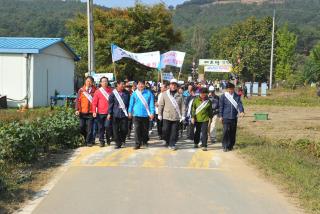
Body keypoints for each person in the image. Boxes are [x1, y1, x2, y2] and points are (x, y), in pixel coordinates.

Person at [158, 79, 185, 150]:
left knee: (174, 132)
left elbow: (183, 106)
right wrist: (159, 114)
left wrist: (183, 115)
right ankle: (166, 140)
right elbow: (161, 104)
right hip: (166, 116)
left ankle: (172, 144)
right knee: (165, 130)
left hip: (176, 116)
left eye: (175, 85)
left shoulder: (180, 95)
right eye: (172, 84)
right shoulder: (164, 94)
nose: (173, 86)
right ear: (169, 85)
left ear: (177, 86)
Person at [128, 80, 155, 150]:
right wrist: (129, 112)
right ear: (137, 85)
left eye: (142, 84)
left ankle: (145, 141)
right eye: (139, 84)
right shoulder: (134, 94)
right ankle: (137, 144)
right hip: (136, 114)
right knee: (137, 129)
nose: (141, 85)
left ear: (144, 85)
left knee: (145, 130)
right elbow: (131, 104)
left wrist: (152, 113)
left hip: (146, 115)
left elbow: (151, 104)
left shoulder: (149, 93)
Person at [219, 82, 245, 152]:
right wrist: (220, 116)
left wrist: (242, 111)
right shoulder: (223, 96)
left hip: (233, 117)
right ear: (227, 89)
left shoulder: (237, 96)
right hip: (225, 116)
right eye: (228, 89)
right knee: (225, 131)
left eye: (231, 89)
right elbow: (221, 107)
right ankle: (225, 145)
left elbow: (240, 104)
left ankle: (231, 145)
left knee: (232, 132)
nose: (230, 91)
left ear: (233, 89)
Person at [108, 80, 130, 149]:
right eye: (122, 84)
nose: (123, 86)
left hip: (124, 114)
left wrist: (130, 112)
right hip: (115, 114)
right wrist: (109, 113)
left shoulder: (127, 93)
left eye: (124, 84)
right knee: (115, 130)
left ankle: (122, 140)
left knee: (124, 129)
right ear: (117, 84)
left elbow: (129, 104)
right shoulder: (113, 93)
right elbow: (110, 104)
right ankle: (118, 143)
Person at [76, 76, 97, 147]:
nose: (89, 82)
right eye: (88, 81)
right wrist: (77, 109)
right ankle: (86, 138)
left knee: (89, 128)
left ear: (92, 83)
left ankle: (88, 141)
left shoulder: (95, 90)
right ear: (85, 81)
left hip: (91, 112)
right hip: (82, 112)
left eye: (90, 81)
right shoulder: (81, 90)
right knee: (81, 127)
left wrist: (95, 111)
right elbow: (78, 101)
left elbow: (96, 101)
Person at [92, 77, 113, 147]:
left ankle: (108, 138)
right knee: (100, 128)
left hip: (108, 113)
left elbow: (113, 102)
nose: (105, 83)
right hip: (100, 113)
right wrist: (94, 111)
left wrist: (111, 112)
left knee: (107, 126)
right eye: (103, 81)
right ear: (100, 83)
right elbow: (94, 103)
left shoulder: (111, 91)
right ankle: (101, 141)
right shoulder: (97, 91)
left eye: (106, 81)